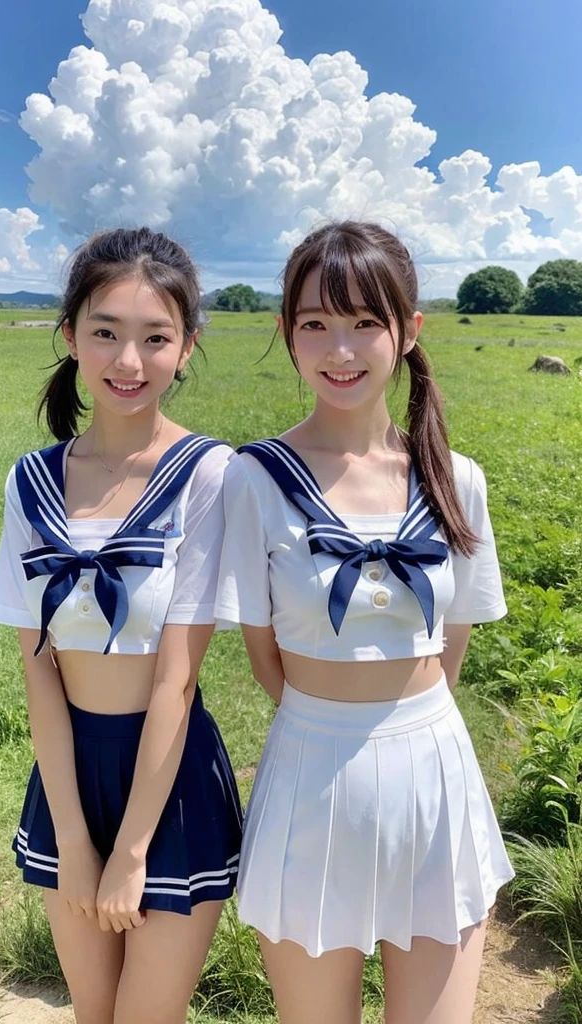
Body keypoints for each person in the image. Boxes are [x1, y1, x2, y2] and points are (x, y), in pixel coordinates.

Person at [215, 221, 514, 1024]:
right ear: (285, 332)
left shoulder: (458, 480)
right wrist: (333, 720)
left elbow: (453, 649)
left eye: (364, 322)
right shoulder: (253, 479)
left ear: (408, 331)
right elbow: (263, 655)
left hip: (436, 774)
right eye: (315, 323)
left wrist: (407, 726)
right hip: (311, 772)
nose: (339, 349)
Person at [0, 227, 242, 1024]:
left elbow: (178, 676)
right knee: (94, 1015)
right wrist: (72, 837)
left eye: (155, 337)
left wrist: (129, 851)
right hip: (69, 773)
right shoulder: (31, 482)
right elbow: (37, 665)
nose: (128, 362)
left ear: (187, 347)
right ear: (70, 336)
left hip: (170, 778)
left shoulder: (208, 472)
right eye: (105, 333)